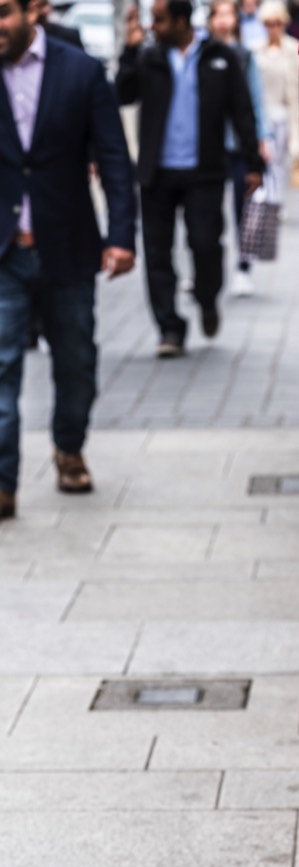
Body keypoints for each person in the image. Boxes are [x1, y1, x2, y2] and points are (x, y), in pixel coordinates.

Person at [0, 0, 136, 518]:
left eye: (3, 13)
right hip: (5, 251)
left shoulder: (80, 71)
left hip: (69, 243)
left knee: (75, 362)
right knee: (2, 365)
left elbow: (115, 158)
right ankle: (3, 482)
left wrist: (122, 235)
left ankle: (69, 448)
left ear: (31, 13)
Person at [117, 0, 263, 357]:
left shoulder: (219, 56)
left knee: (206, 244)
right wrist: (130, 48)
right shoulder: (148, 57)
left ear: (181, 21)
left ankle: (207, 298)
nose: (153, 26)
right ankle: (170, 328)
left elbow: (241, 109)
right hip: (158, 173)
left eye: (160, 20)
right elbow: (123, 93)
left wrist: (253, 162)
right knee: (157, 253)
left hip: (205, 172)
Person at [207, 0, 271, 297]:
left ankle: (244, 267)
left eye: (227, 14)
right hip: (208, 144)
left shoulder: (244, 55)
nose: (223, 20)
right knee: (206, 210)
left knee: (244, 209)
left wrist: (262, 138)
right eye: (217, 14)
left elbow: (255, 101)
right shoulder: (200, 52)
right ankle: (205, 266)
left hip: (237, 144)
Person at [254, 1, 298, 206]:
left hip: (284, 114)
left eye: (277, 23)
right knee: (267, 159)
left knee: (281, 161)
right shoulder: (256, 51)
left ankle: (276, 202)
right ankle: (268, 199)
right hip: (264, 113)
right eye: (269, 23)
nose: (273, 27)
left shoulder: (292, 49)